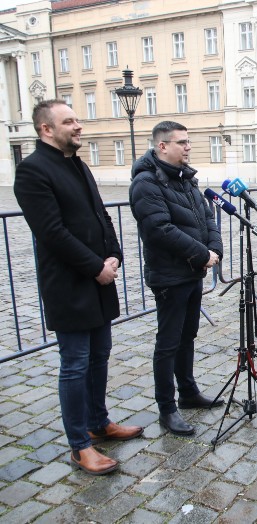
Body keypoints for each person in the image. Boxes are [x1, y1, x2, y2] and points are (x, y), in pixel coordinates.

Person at [14, 99, 143, 476]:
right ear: (46, 130)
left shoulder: (78, 164)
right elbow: (51, 232)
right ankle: (79, 445)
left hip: (100, 277)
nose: (79, 126)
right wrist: (94, 267)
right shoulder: (32, 171)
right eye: (69, 121)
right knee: (74, 364)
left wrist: (115, 254)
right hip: (69, 283)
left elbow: (100, 214)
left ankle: (98, 422)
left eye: (77, 119)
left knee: (100, 354)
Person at [129, 121, 224, 436]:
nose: (187, 147)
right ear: (162, 146)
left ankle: (188, 392)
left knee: (188, 336)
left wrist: (214, 249)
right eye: (181, 142)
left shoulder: (185, 178)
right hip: (170, 275)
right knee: (168, 343)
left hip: (192, 272)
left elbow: (207, 216)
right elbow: (159, 230)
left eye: (188, 141)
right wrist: (200, 254)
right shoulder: (146, 183)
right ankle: (167, 409)